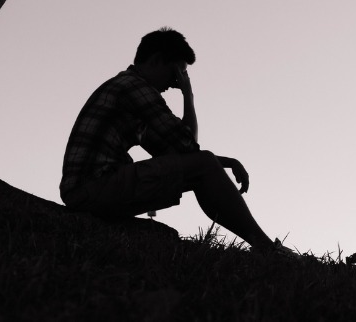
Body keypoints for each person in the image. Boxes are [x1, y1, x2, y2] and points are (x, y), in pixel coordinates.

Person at [61, 27, 293, 255]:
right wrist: (188, 95)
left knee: (204, 164)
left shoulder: (128, 88)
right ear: (157, 60)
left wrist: (224, 161)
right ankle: (266, 248)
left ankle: (264, 247)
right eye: (176, 73)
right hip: (92, 188)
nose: (175, 83)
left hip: (89, 189)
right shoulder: (136, 88)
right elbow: (189, 148)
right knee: (203, 165)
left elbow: (175, 152)